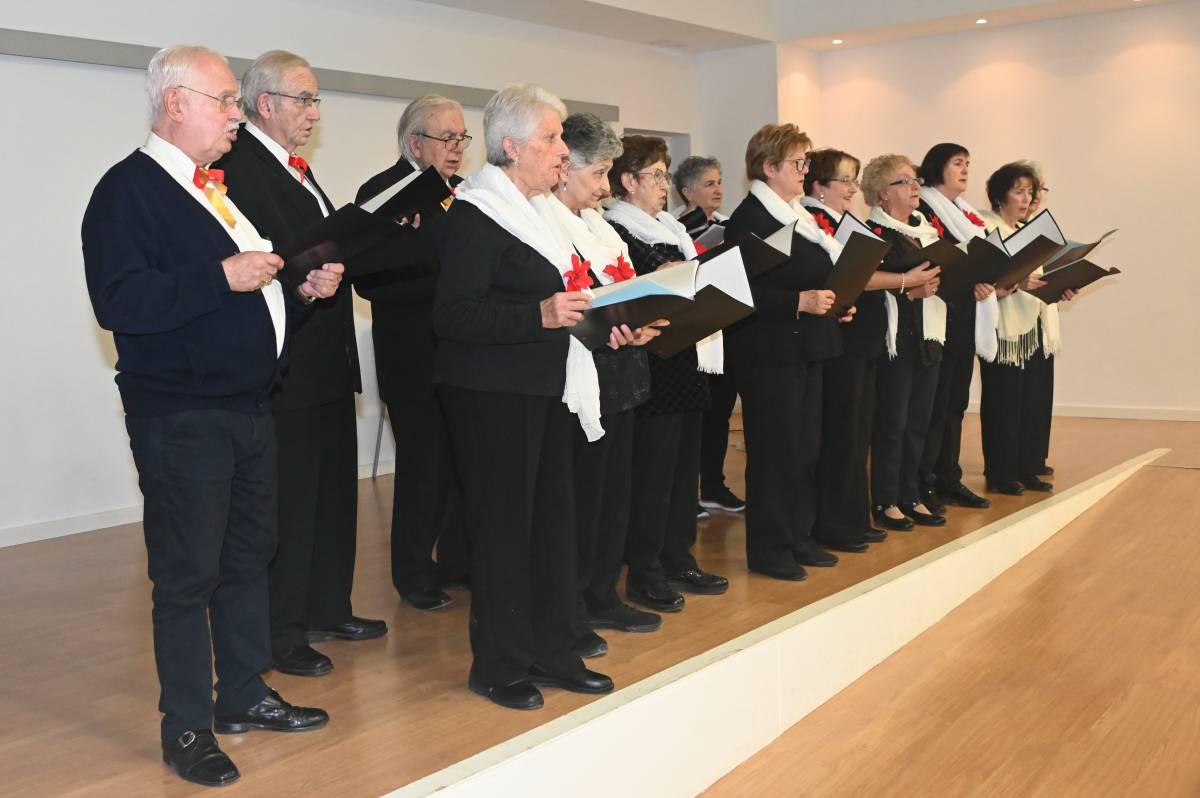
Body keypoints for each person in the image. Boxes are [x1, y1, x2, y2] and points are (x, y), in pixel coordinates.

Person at [82, 45, 338, 787]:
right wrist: (220, 275)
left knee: (247, 559)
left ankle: (245, 693)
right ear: (176, 103)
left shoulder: (212, 191)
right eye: (225, 101)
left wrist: (301, 293)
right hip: (181, 415)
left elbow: (246, 297)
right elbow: (121, 302)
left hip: (249, 405)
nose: (236, 115)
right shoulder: (127, 192)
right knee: (186, 575)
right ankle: (187, 727)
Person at [434, 84, 614, 710]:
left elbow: (570, 302)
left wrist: (617, 324)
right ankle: (500, 664)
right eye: (552, 138)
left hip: (547, 386)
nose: (563, 151)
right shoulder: (476, 212)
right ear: (511, 147)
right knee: (506, 531)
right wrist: (534, 317)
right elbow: (452, 315)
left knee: (553, 527)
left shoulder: (537, 212)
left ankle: (553, 650)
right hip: (491, 395)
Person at [214, 49, 385, 680]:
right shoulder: (242, 168)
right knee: (288, 504)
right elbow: (263, 257)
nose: (315, 112)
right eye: (304, 99)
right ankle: (281, 631)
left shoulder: (297, 169)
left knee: (331, 495)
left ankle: (327, 606)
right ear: (266, 104)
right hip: (290, 364)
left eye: (316, 100)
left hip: (326, 359)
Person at [542, 113, 666, 657]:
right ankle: (570, 605)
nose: (605, 186)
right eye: (597, 172)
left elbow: (623, 284)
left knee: (615, 496)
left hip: (622, 375)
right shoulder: (543, 223)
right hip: (581, 382)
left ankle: (602, 592)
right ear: (563, 167)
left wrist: (644, 315)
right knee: (580, 503)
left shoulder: (600, 223)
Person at [355, 94, 471, 611]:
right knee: (423, 467)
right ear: (414, 142)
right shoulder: (384, 193)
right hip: (412, 354)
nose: (457, 149)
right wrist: (444, 281)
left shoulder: (464, 194)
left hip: (462, 354)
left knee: (460, 463)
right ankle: (413, 573)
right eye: (446, 138)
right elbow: (370, 280)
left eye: (462, 138)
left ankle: (457, 561)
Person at [605, 135, 729, 610]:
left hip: (686, 356)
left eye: (664, 173)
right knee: (652, 476)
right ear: (627, 180)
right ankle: (645, 571)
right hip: (651, 362)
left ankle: (679, 557)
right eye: (655, 174)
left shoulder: (671, 227)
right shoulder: (619, 229)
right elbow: (640, 285)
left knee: (681, 471)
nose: (664, 184)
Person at [723, 125, 850, 580]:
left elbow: (814, 271)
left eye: (806, 162)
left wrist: (837, 303)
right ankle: (771, 548)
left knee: (805, 449)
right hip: (770, 351)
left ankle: (800, 536)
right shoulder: (750, 219)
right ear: (768, 167)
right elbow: (737, 293)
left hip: (808, 343)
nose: (805, 170)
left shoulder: (799, 214)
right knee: (776, 452)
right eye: (797, 163)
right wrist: (799, 302)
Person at [801, 149, 940, 551]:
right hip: (843, 339)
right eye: (845, 180)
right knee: (850, 432)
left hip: (862, 337)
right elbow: (850, 277)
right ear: (819, 187)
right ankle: (844, 519)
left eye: (853, 180)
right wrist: (902, 282)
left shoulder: (839, 222)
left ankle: (854, 515)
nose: (852, 188)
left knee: (858, 431)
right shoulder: (817, 223)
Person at [862, 155, 947, 531]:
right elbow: (864, 288)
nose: (915, 187)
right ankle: (885, 499)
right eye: (904, 181)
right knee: (892, 423)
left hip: (928, 335)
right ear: (883, 193)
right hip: (893, 340)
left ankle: (910, 494)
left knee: (918, 421)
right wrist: (908, 292)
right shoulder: (875, 234)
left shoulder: (926, 230)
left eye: (916, 180)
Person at [978, 163, 1073, 494]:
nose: (1027, 198)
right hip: (1003, 329)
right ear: (1000, 194)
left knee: (1029, 401)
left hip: (1032, 326)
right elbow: (985, 278)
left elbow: (1036, 279)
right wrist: (1016, 281)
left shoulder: (1025, 228)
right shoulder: (986, 227)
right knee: (1003, 403)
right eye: (1019, 191)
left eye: (1030, 192)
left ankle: (1026, 466)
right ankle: (1002, 472)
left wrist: (1060, 286)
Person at [914, 143, 995, 512]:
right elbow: (935, 257)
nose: (965, 170)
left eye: (968, 163)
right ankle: (926, 480)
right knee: (936, 403)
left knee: (955, 403)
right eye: (957, 163)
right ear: (937, 168)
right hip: (937, 313)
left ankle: (949, 476)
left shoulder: (966, 212)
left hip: (963, 312)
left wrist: (987, 279)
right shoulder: (925, 207)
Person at [674, 156, 745, 517]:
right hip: (694, 331)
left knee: (719, 412)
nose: (718, 189)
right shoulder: (674, 228)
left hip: (725, 328)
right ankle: (688, 491)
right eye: (708, 184)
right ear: (686, 191)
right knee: (697, 415)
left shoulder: (729, 225)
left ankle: (714, 485)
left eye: (719, 182)